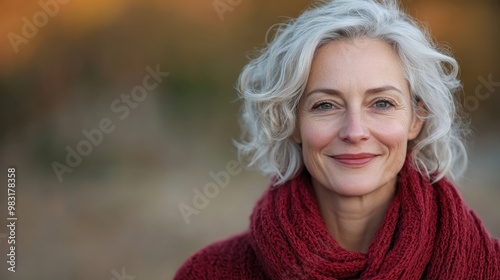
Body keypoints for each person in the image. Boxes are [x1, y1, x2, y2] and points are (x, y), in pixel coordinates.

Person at [174, 0, 500, 278]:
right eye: (325, 105)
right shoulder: (211, 272)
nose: (354, 131)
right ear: (291, 122)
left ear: (417, 118)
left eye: (382, 103)